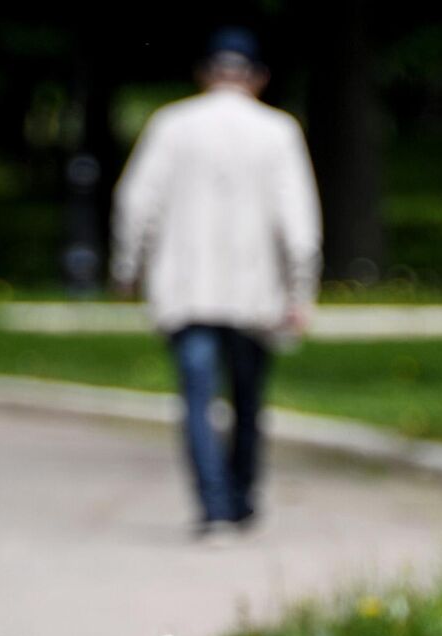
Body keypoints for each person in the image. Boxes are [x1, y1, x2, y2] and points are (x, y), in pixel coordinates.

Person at [111, 27, 321, 542]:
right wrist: (300, 291)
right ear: (260, 78)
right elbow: (300, 225)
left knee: (198, 400)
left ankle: (215, 508)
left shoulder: (171, 126)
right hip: (255, 294)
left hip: (187, 290)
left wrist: (127, 268)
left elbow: (136, 204)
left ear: (205, 72)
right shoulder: (280, 132)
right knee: (247, 399)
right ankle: (241, 496)